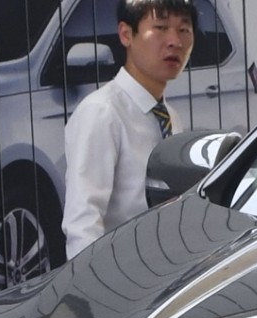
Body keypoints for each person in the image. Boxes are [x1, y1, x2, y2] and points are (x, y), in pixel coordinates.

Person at [62, 0, 198, 260]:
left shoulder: (169, 116)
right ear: (126, 34)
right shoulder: (102, 112)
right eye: (160, 28)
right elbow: (83, 223)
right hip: (120, 275)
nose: (175, 41)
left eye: (184, 30)